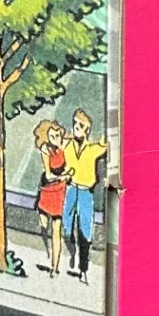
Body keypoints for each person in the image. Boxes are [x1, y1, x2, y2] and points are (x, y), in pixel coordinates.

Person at [62, 108, 107, 284]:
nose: (76, 128)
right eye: (75, 124)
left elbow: (106, 145)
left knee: (85, 230)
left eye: (80, 126)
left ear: (87, 130)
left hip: (85, 192)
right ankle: (72, 252)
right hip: (71, 189)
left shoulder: (92, 149)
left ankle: (83, 268)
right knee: (67, 225)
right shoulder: (68, 145)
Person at [33, 119, 69, 278]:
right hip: (47, 189)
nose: (57, 138)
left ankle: (55, 266)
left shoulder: (64, 146)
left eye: (58, 135)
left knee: (56, 230)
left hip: (59, 192)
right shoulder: (45, 150)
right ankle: (45, 252)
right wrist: (63, 176)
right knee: (43, 225)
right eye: (53, 136)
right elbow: (48, 175)